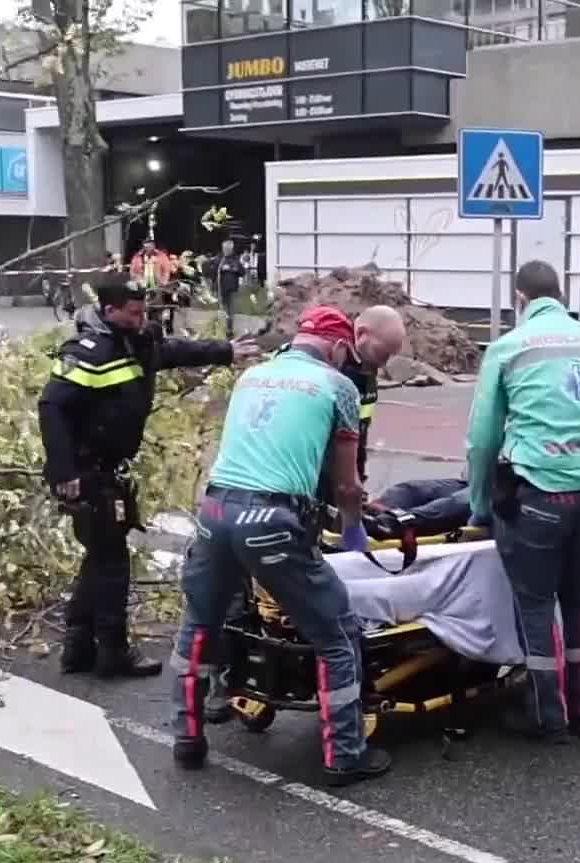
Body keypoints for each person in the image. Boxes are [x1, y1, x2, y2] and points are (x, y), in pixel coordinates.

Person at [169, 305, 387, 785]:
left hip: (216, 511)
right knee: (337, 635)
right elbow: (346, 485)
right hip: (271, 518)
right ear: (336, 347)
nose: (343, 363)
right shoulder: (339, 387)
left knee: (200, 627)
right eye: (343, 355)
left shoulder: (254, 376)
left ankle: (186, 737)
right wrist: (353, 531)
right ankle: (345, 756)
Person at [38, 278, 256, 678]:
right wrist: (64, 472)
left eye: (145, 312)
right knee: (113, 561)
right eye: (134, 313)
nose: (142, 320)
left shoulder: (133, 343)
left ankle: (79, 646)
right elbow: (51, 407)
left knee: (101, 555)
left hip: (108, 469)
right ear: (110, 311)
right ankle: (114, 651)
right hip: (86, 472)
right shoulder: (88, 353)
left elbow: (170, 351)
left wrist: (226, 351)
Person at [467, 261, 580, 741]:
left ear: (520, 299)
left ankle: (549, 715)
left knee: (536, 605)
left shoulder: (508, 348)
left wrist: (481, 507)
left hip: (539, 492)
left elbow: (481, 442)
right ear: (560, 295)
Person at [342, 305, 409, 483]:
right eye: (382, 353)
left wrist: (359, 479)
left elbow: (361, 430)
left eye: (390, 356)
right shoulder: (333, 365)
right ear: (362, 334)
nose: (383, 363)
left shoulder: (367, 366)